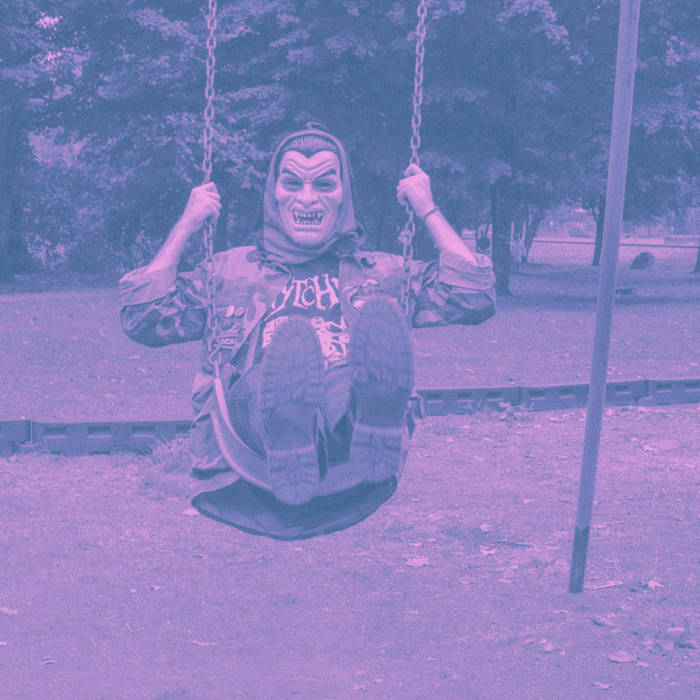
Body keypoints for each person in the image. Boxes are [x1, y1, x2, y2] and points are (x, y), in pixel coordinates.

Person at [120, 125, 496, 535]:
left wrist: (427, 208)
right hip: (248, 450)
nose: (307, 198)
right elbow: (145, 317)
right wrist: (187, 223)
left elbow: (472, 296)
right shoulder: (230, 271)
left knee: (351, 377)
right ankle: (292, 434)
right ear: (274, 193)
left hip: (348, 458)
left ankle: (368, 415)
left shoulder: (380, 273)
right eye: (292, 183)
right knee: (273, 378)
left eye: (324, 184)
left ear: (344, 197)